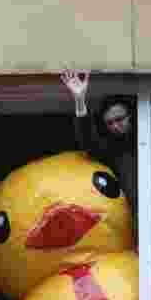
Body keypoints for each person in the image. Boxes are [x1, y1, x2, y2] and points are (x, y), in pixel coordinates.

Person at [61, 69, 138, 238]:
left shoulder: (148, 137)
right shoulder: (116, 150)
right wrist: (80, 100)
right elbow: (89, 143)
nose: (115, 126)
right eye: (110, 123)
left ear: (131, 116)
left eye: (119, 119)